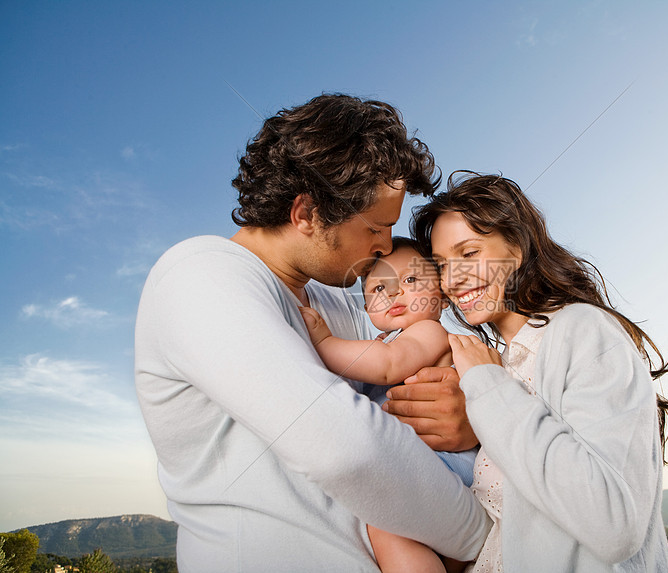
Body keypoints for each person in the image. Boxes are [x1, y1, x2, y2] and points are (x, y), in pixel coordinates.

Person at [134, 95, 490, 572]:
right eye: (377, 228)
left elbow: (408, 367)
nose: (386, 246)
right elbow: (350, 449)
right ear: (306, 214)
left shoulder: (335, 300)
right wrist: (488, 538)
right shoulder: (201, 274)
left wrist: (469, 418)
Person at [399, 171, 668, 572]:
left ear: (516, 249)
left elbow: (612, 524)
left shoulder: (581, 329)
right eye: (441, 265)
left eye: (469, 254)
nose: (452, 279)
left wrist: (488, 390)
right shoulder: (503, 363)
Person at [300, 237, 477, 573]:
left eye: (410, 280)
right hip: (424, 461)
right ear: (368, 309)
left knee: (385, 524)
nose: (394, 293)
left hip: (443, 460)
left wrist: (323, 342)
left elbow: (388, 365)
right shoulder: (386, 341)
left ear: (440, 295)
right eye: (378, 289)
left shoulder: (429, 332)